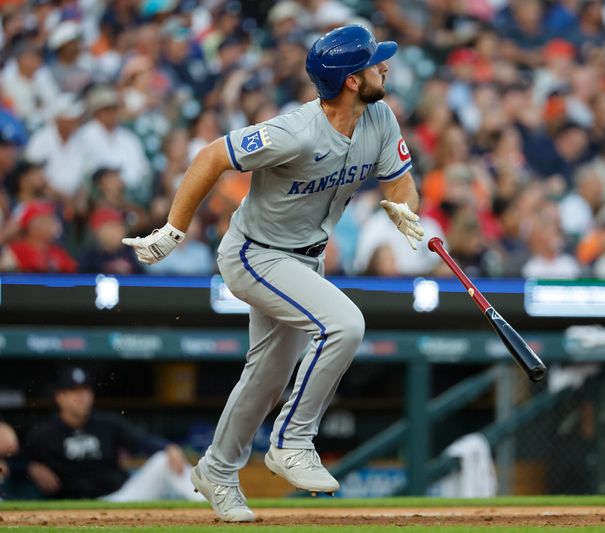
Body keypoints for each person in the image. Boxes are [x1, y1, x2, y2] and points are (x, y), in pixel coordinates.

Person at [122, 25, 423, 522]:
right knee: (345, 325)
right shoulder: (295, 131)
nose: (384, 66)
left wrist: (404, 209)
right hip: (254, 254)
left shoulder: (381, 118)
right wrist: (175, 230)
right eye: (374, 62)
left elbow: (401, 185)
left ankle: (216, 470)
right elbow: (213, 155)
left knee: (266, 377)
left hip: (306, 257)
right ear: (351, 80)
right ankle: (292, 442)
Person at [24, 366, 201, 501]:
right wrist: (30, 467)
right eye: (75, 392)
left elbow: (141, 442)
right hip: (74, 507)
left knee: (164, 459)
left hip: (120, 499)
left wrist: (169, 447)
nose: (83, 397)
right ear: (60, 397)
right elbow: (15, 457)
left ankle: (205, 503)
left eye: (86, 390)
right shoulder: (44, 433)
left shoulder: (107, 423)